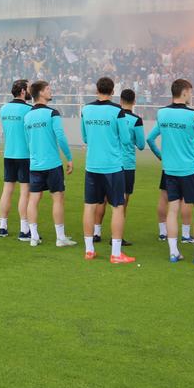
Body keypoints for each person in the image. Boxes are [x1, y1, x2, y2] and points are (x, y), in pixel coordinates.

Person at [148, 79, 194, 265]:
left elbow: (151, 138)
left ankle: (173, 252)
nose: (191, 96)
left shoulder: (162, 113)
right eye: (190, 92)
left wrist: (161, 156)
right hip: (189, 169)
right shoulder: (193, 114)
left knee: (173, 208)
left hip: (169, 170)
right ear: (185, 92)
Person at [79, 77, 134, 263]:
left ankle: (89, 250)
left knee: (89, 206)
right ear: (112, 91)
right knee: (118, 207)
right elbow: (126, 140)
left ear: (97, 89)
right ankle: (116, 253)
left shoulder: (85, 109)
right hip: (112, 167)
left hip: (92, 166)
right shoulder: (117, 111)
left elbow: (85, 137)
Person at [24, 80, 76, 248]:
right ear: (40, 93)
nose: (50, 91)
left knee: (33, 199)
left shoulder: (28, 116)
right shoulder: (52, 113)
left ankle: (33, 236)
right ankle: (60, 238)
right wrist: (69, 157)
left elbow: (28, 140)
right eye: (48, 89)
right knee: (58, 198)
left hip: (35, 164)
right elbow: (60, 136)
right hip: (52, 164)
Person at [0, 80, 32, 239]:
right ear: (23, 91)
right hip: (25, 155)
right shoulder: (29, 110)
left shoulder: (4, 108)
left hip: (9, 154)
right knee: (25, 192)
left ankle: (3, 227)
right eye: (29, 88)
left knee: (7, 190)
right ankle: (24, 230)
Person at [116, 88, 144, 240]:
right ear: (134, 102)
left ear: (120, 101)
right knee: (123, 201)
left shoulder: (114, 115)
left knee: (104, 199)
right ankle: (118, 236)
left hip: (112, 162)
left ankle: (97, 232)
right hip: (127, 164)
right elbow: (141, 145)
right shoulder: (136, 120)